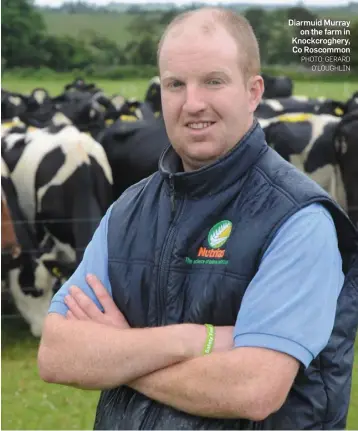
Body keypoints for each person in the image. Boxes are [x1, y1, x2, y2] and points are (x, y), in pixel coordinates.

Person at [37, 7, 358, 430]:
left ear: (253, 91)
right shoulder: (127, 211)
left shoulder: (298, 220)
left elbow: (253, 389)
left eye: (213, 81)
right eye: (175, 84)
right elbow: (58, 354)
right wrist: (195, 340)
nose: (192, 103)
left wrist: (118, 353)